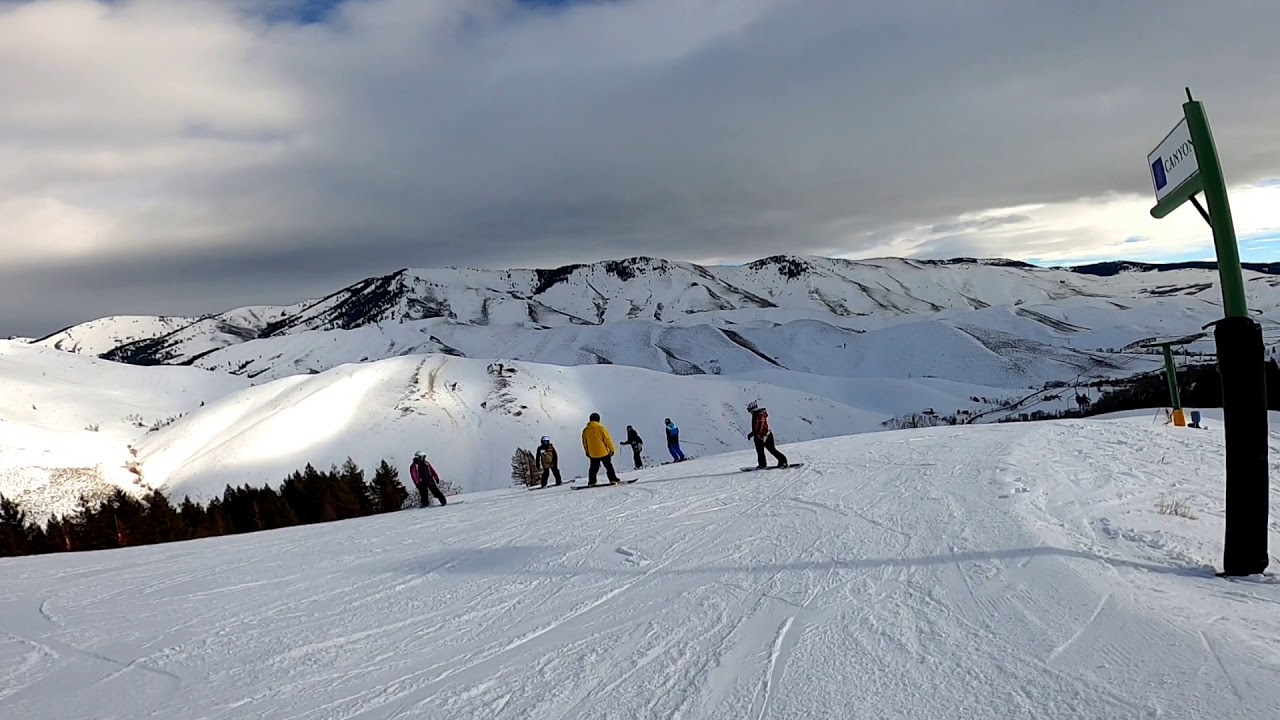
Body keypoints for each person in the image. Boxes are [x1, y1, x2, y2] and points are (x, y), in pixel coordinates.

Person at [581, 412, 621, 486]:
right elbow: (607, 440)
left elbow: (584, 442)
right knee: (608, 466)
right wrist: (612, 449)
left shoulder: (585, 430)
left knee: (593, 468)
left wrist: (587, 452)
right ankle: (613, 479)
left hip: (593, 453)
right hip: (603, 452)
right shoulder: (601, 428)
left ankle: (592, 481)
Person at [746, 401, 788, 469]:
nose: (749, 412)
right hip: (759, 437)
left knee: (772, 450)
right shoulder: (755, 415)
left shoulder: (759, 415)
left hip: (766, 435)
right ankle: (762, 464)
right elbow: (756, 428)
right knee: (760, 451)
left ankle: (783, 461)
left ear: (753, 409)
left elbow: (761, 427)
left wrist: (755, 434)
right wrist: (753, 434)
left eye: (749, 410)